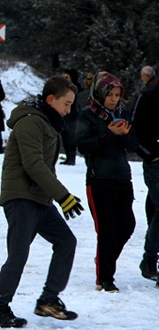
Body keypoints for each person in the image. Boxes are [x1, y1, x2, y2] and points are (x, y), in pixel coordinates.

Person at [0, 76, 83, 328]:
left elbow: (46, 169)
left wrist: (56, 196)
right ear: (51, 99)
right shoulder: (30, 122)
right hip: (21, 197)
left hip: (40, 199)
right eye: (66, 104)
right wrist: (64, 196)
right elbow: (33, 165)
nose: (68, 110)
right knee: (18, 254)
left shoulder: (48, 123)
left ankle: (48, 299)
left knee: (66, 241)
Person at [76, 71, 137, 293]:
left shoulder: (123, 112)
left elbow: (133, 143)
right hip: (98, 180)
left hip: (122, 178)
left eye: (117, 95)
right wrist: (109, 134)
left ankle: (104, 258)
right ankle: (105, 278)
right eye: (110, 94)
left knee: (127, 225)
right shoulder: (87, 115)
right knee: (107, 230)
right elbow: (83, 146)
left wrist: (125, 135)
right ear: (100, 93)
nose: (114, 99)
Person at [132, 65, 159, 282]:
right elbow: (135, 129)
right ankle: (150, 257)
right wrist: (149, 155)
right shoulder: (149, 95)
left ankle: (150, 258)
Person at [60, 69, 82, 165]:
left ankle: (72, 158)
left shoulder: (76, 88)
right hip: (63, 114)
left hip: (73, 115)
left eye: (67, 77)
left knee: (71, 136)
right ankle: (68, 157)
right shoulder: (62, 88)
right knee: (64, 135)